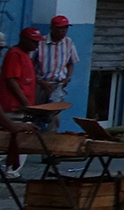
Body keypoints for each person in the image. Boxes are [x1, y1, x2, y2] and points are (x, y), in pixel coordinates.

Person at [1, 29, 36, 178]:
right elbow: (11, 80)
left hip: (20, 106)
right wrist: (25, 103)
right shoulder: (15, 54)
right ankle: (10, 172)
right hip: (14, 105)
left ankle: (11, 171)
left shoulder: (25, 55)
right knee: (10, 140)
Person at [34, 16, 79, 126]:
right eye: (60, 28)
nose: (63, 31)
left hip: (57, 85)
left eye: (65, 28)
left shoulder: (68, 43)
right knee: (36, 112)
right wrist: (39, 81)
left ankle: (51, 138)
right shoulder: (40, 43)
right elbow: (29, 65)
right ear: (52, 28)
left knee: (54, 117)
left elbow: (71, 63)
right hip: (40, 84)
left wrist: (67, 77)